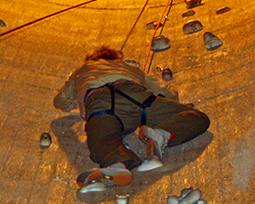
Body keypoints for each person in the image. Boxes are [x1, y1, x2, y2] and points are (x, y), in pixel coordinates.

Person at [54, 46, 210, 189]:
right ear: (117, 59)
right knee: (196, 118)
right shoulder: (131, 68)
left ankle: (117, 164)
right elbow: (168, 95)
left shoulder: (84, 69)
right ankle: (161, 134)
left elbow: (60, 102)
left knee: (101, 141)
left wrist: (79, 96)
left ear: (92, 59)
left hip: (101, 103)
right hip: (137, 97)